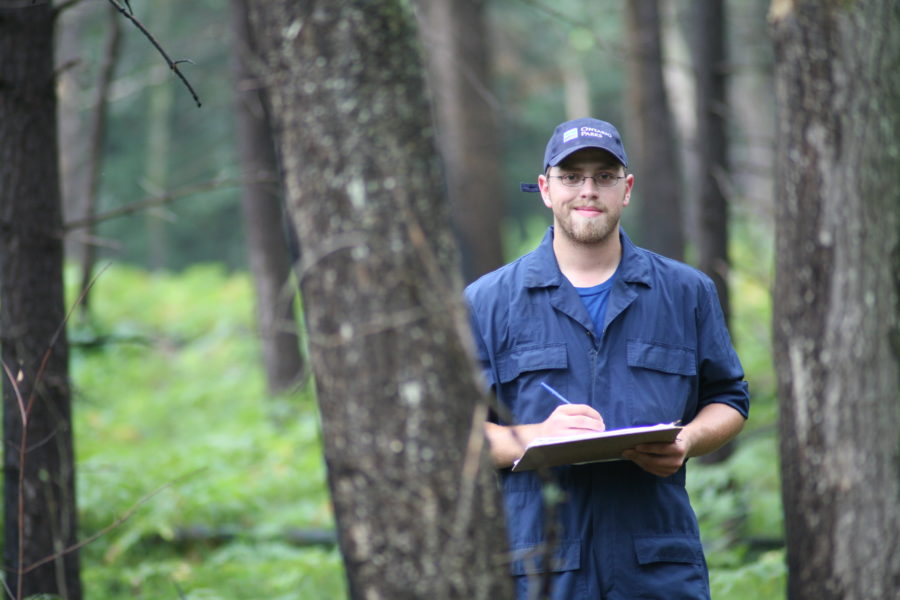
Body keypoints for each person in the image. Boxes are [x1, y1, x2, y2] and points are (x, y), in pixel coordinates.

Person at [465, 117, 749, 599]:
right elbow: (454, 434)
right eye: (571, 177)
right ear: (545, 189)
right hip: (541, 572)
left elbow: (728, 398)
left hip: (657, 569)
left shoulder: (685, 293)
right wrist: (535, 436)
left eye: (604, 176)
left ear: (627, 188)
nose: (588, 190)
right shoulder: (488, 302)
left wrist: (689, 439)